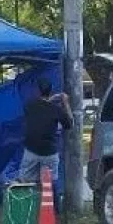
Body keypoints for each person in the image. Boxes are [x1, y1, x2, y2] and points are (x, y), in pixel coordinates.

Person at [19, 77, 73, 207]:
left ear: (37, 92)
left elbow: (41, 106)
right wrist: (65, 103)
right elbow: (69, 124)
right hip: (49, 151)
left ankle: (25, 209)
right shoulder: (56, 110)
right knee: (50, 183)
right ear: (50, 91)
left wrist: (50, 98)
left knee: (25, 181)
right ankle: (54, 211)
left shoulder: (29, 106)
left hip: (31, 150)